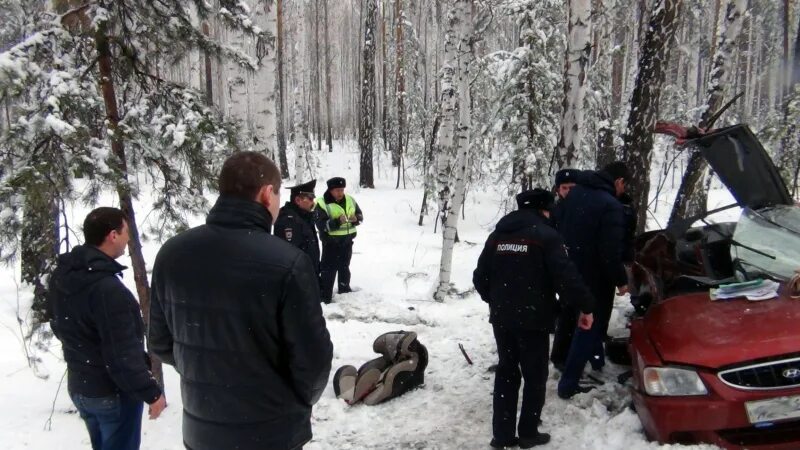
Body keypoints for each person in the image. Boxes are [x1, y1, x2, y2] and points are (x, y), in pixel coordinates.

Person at [149, 152, 333, 450]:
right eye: (277, 195)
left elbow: (159, 342)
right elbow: (313, 361)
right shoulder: (287, 263)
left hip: (202, 431)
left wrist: (206, 372)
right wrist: (295, 399)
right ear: (265, 194)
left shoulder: (172, 253)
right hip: (271, 432)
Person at [473, 188, 595, 449]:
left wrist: (497, 302)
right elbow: (567, 277)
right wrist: (586, 307)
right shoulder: (547, 237)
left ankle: (502, 435)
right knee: (535, 375)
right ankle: (528, 432)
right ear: (544, 210)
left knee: (507, 370)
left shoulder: (497, 236)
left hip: (503, 319)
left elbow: (480, 277)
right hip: (534, 319)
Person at [47, 207, 166, 450]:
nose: (128, 238)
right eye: (125, 232)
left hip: (82, 387)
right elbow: (122, 353)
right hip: (110, 393)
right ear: (112, 235)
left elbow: (60, 325)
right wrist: (151, 393)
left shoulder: (63, 276)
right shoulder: (108, 291)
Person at [556, 162, 630, 399]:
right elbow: (610, 251)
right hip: (595, 276)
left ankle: (591, 361)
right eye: (624, 185)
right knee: (590, 325)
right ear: (619, 181)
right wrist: (621, 280)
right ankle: (569, 383)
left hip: (570, 271)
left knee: (574, 319)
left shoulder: (576, 194)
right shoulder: (611, 205)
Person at [549, 168, 581, 370]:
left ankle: (565, 353)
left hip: (576, 266)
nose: (568, 191)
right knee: (568, 310)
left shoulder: (584, 208)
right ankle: (560, 356)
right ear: (558, 190)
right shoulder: (554, 210)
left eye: (572, 187)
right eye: (564, 187)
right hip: (560, 265)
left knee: (572, 310)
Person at [315, 176, 363, 303]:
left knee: (344, 267)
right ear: (330, 190)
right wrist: (336, 221)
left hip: (347, 242)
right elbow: (321, 225)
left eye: (342, 190)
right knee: (328, 270)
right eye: (337, 190)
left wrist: (356, 219)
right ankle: (325, 296)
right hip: (331, 243)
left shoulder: (350, 200)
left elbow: (361, 216)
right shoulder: (322, 203)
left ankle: (344, 290)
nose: (340, 193)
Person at [274, 179, 321, 276]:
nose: (313, 202)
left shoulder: (304, 216)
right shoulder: (289, 221)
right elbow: (290, 257)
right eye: (310, 199)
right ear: (298, 200)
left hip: (309, 275)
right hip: (299, 278)